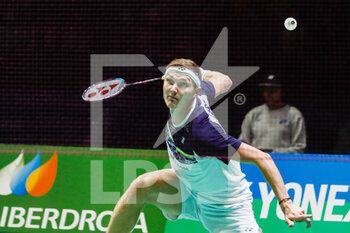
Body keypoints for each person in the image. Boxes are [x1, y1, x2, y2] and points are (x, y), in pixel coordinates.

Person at [107, 59, 312, 233]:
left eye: (183, 84)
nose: (174, 89)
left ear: (195, 91)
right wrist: (197, 72)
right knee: (143, 186)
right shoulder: (195, 94)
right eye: (170, 81)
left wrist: (286, 204)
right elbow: (225, 79)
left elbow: (262, 157)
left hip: (227, 210)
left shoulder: (203, 133)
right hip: (189, 190)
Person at [239, 74, 306, 153]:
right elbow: (242, 144)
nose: (269, 94)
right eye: (266, 90)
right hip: (255, 162)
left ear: (282, 92)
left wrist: (272, 152)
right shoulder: (253, 114)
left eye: (273, 90)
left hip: (283, 162)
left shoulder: (294, 115)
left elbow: (299, 148)